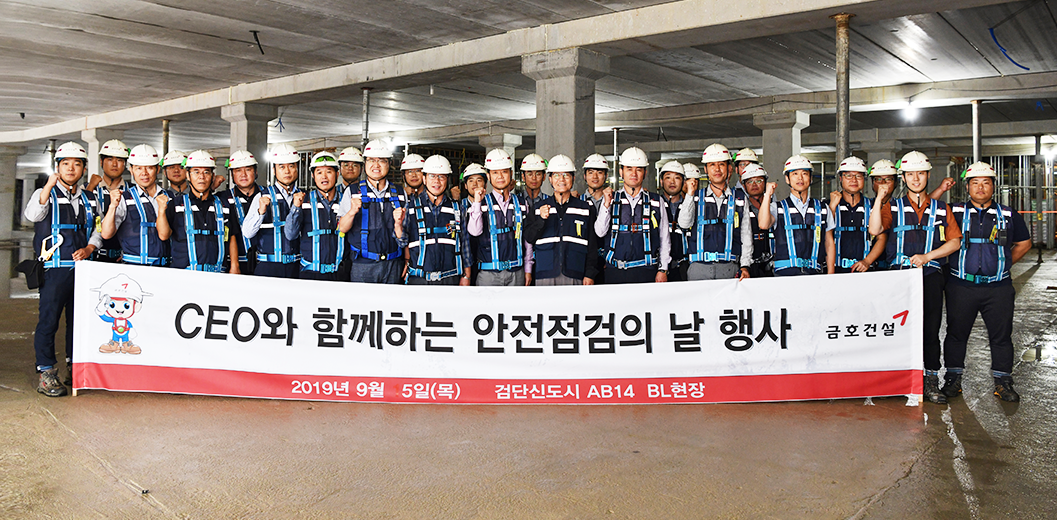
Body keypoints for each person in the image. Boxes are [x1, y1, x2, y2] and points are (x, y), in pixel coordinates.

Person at [867, 150, 963, 404]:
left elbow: (955, 241)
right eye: (910, 174)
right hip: (898, 278)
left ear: (928, 175)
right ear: (904, 178)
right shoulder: (892, 207)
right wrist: (879, 199)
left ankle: (930, 381)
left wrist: (928, 256)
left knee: (930, 330)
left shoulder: (942, 209)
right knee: (896, 329)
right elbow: (875, 229)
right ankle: (895, 381)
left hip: (930, 276)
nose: (916, 179)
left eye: (921, 173)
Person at [942, 162, 1032, 402]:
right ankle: (952, 379)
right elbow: (929, 210)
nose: (980, 187)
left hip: (998, 287)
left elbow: (1024, 243)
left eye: (986, 183)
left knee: (1001, 336)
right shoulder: (954, 212)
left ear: (993, 186)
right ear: (967, 187)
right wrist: (940, 189)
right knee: (956, 334)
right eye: (975, 183)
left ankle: (1003, 382)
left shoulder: (1008, 214)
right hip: (961, 285)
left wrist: (1004, 263)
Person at [24, 142, 103, 396]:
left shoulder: (90, 198)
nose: (71, 168)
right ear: (57, 167)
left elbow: (98, 229)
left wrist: (90, 248)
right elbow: (33, 216)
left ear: (83, 169)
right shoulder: (44, 194)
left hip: (83, 270)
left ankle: (74, 366)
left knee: (78, 322)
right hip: (54, 270)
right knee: (48, 321)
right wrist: (48, 186)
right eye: (65, 164)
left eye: (77, 164)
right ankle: (46, 372)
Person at [593, 147, 671, 284]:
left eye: (638, 169)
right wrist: (606, 205)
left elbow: (664, 237)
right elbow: (600, 232)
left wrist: (663, 269)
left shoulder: (656, 201)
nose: (634, 173)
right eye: (629, 169)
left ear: (645, 173)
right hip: (615, 271)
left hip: (646, 270)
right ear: (621, 172)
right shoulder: (610, 199)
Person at [678, 144, 753, 280]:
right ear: (706, 169)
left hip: (729, 267)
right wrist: (689, 195)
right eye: (712, 165)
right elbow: (684, 224)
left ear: (729, 168)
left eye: (721, 164)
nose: (717, 169)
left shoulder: (740, 198)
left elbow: (746, 235)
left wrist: (745, 266)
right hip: (699, 267)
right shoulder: (695, 197)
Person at [467, 149, 540, 286]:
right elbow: (474, 232)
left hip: (517, 271)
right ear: (488, 176)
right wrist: (476, 203)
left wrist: (528, 268)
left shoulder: (522, 204)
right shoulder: (480, 204)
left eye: (504, 172)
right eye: (495, 172)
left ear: (511, 174)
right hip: (488, 273)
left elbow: (527, 239)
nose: (500, 176)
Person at [338, 139, 407, 284]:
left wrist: (408, 259)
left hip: (393, 263)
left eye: (381, 160)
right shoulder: (352, 191)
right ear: (365, 164)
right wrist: (352, 212)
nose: (376, 165)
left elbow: (407, 234)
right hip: (363, 264)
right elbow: (341, 229)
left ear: (389, 163)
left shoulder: (400, 193)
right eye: (371, 160)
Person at [757, 155, 835, 276]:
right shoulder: (777, 208)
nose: (800, 178)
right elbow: (763, 224)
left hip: (814, 273)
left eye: (804, 173)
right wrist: (767, 195)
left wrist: (831, 275)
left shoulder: (823, 209)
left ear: (811, 178)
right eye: (795, 174)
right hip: (785, 274)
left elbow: (829, 243)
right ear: (787, 179)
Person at [401, 155, 471, 285]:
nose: (437, 181)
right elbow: (402, 241)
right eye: (432, 176)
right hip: (419, 279)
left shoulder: (457, 209)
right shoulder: (411, 207)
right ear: (424, 179)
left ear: (447, 180)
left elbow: (465, 244)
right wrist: (397, 224)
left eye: (441, 177)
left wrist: (467, 276)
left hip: (450, 278)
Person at [166, 151, 239, 272]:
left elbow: (232, 236)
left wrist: (235, 266)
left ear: (213, 176)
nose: (201, 177)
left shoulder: (224, 205)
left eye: (206, 172)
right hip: (184, 273)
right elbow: (164, 235)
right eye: (196, 172)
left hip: (217, 273)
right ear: (188, 175)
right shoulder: (176, 204)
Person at [99, 144, 171, 267]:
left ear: (157, 169)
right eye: (138, 168)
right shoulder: (124, 198)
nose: (144, 173)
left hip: (165, 266)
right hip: (133, 266)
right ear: (131, 170)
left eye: (149, 168)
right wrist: (112, 206)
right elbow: (106, 234)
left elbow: (167, 235)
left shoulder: (170, 198)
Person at [532, 155, 599, 286]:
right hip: (545, 274)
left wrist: (590, 273)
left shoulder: (585, 208)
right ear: (550, 179)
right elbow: (529, 238)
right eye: (556, 175)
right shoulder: (538, 208)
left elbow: (592, 245)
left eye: (566, 175)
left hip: (576, 273)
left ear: (573, 178)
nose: (561, 179)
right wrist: (541, 220)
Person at [242, 143, 302, 278]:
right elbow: (247, 232)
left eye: (291, 166)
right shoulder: (262, 196)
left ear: (297, 168)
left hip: (296, 266)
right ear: (274, 170)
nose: (287, 171)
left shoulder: (305, 197)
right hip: (268, 267)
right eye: (282, 167)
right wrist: (260, 212)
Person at [287, 152, 347, 281]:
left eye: (329, 172)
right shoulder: (303, 201)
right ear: (313, 176)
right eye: (319, 172)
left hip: (339, 273)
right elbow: (290, 234)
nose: (324, 176)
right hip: (310, 273)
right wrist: (296, 208)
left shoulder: (346, 201)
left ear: (337, 174)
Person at [827, 156, 887, 273]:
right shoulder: (828, 205)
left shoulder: (873, 205)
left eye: (858, 176)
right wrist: (832, 207)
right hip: (837, 270)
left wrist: (867, 261)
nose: (854, 180)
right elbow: (824, 235)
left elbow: (882, 238)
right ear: (840, 178)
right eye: (848, 176)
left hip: (865, 270)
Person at [218, 150, 262, 274]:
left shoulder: (267, 196)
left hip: (263, 263)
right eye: (238, 170)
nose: (243, 175)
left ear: (255, 172)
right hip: (234, 265)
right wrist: (211, 186)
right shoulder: (222, 199)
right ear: (232, 174)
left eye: (248, 169)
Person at [90, 139, 131, 262]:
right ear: (101, 162)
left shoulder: (133, 192)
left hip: (123, 258)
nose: (114, 164)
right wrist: (90, 187)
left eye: (119, 160)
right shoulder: (88, 190)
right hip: (93, 256)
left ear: (125, 164)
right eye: (109, 159)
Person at [581, 153, 611, 284]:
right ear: (584, 176)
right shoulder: (578, 202)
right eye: (590, 172)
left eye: (599, 172)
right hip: (585, 264)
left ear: (606, 176)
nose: (595, 177)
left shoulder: (614, 201)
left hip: (609, 263)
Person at [740, 163, 773, 278]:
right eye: (750, 182)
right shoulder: (740, 209)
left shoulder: (774, 207)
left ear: (765, 182)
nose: (754, 185)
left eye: (759, 181)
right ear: (744, 185)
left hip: (772, 264)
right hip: (750, 265)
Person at [658, 161, 689, 281]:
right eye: (668, 177)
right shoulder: (653, 205)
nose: (672, 182)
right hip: (659, 267)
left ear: (683, 182)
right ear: (661, 181)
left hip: (683, 266)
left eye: (677, 178)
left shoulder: (689, 206)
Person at [460, 163, 488, 285]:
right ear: (465, 185)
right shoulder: (459, 207)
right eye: (471, 181)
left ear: (485, 184)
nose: (475, 184)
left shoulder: (491, 206)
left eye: (479, 180)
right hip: (465, 261)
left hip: (485, 262)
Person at [868, 159, 899, 270]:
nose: (883, 183)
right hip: (868, 265)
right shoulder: (866, 205)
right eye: (878, 179)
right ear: (872, 183)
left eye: (888, 179)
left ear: (896, 183)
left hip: (895, 264)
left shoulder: (900, 206)